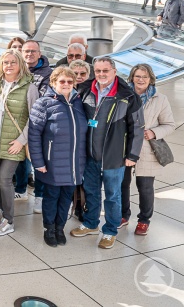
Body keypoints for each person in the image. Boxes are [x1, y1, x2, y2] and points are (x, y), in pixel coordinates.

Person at [71, 57, 143, 249]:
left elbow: (137, 128)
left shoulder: (127, 96)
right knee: (92, 191)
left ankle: (110, 230)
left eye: (105, 71)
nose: (101, 74)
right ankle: (91, 223)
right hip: (90, 154)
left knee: (112, 195)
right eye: (98, 71)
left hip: (114, 156)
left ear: (114, 71)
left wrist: (132, 156)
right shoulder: (85, 90)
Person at [28, 67, 87, 247]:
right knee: (52, 196)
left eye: (70, 81)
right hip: (52, 162)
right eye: (62, 81)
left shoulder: (79, 103)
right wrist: (38, 162)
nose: (66, 84)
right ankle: (49, 229)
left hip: (74, 163)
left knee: (66, 197)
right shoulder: (43, 103)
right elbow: (34, 135)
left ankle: (60, 227)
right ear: (53, 83)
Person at [0, 51, 39, 236]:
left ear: (20, 64)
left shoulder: (29, 88)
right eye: (5, 62)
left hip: (14, 143)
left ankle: (9, 221)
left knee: (4, 179)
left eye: (13, 62)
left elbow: (34, 118)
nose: (8, 66)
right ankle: (2, 216)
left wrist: (21, 141)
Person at [121, 64, 174, 235]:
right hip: (124, 146)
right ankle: (123, 215)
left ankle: (144, 219)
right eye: (137, 76)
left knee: (145, 186)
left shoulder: (160, 99)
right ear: (132, 78)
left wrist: (153, 132)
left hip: (146, 148)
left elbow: (169, 125)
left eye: (144, 76)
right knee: (122, 183)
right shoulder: (123, 95)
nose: (141, 80)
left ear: (150, 79)